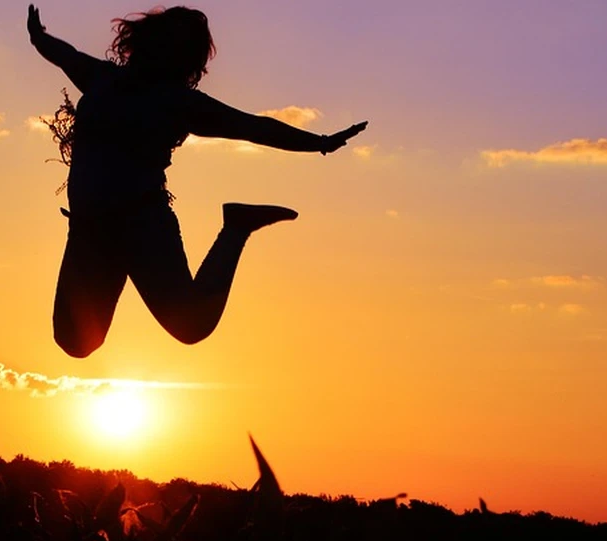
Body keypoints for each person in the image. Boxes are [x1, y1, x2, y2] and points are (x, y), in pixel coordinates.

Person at [29, 5, 367, 358]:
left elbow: (253, 127)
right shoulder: (102, 78)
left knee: (190, 324)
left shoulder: (179, 103)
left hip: (141, 224)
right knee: (76, 340)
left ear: (181, 59)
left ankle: (236, 227)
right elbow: (64, 55)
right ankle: (227, 229)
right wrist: (39, 38)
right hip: (91, 228)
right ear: (144, 42)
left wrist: (320, 143)